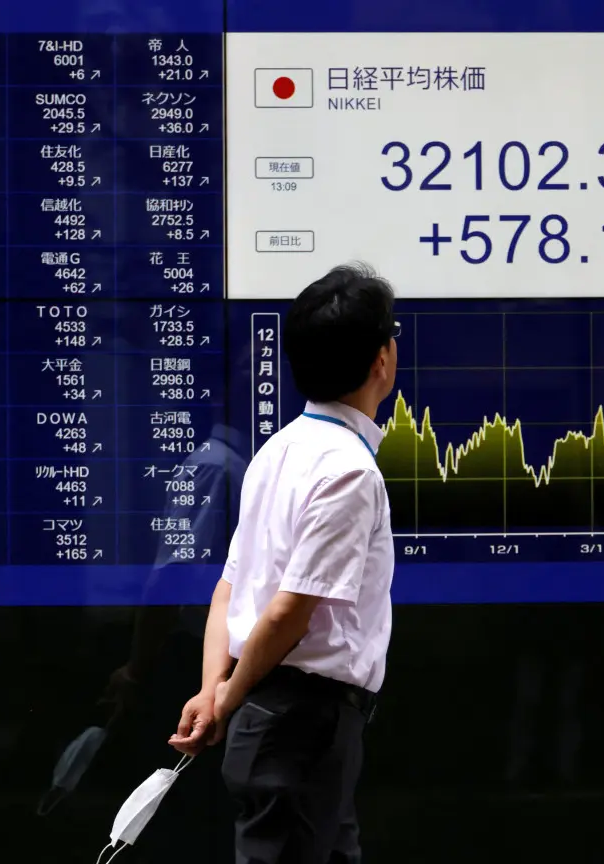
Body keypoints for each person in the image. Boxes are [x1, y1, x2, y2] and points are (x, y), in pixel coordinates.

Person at [169, 262, 399, 862]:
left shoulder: (277, 450)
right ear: (382, 360)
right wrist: (225, 698)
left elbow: (229, 588)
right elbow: (289, 613)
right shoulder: (348, 470)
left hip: (287, 725)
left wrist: (212, 686)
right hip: (302, 725)